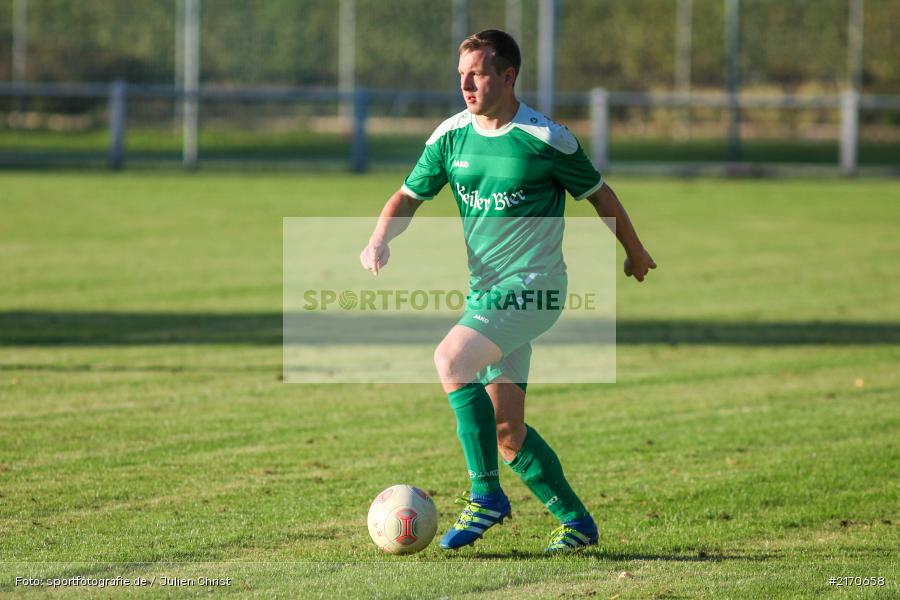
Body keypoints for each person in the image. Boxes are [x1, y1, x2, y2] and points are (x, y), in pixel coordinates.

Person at [360, 29, 655, 552]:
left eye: (476, 74)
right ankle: (578, 525)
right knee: (507, 431)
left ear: (507, 75)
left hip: (537, 287)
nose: (466, 85)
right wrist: (380, 237)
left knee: (451, 360)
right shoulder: (450, 136)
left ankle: (485, 495)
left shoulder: (546, 138)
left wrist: (634, 250)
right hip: (487, 293)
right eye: (461, 76)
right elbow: (407, 196)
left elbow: (599, 194)